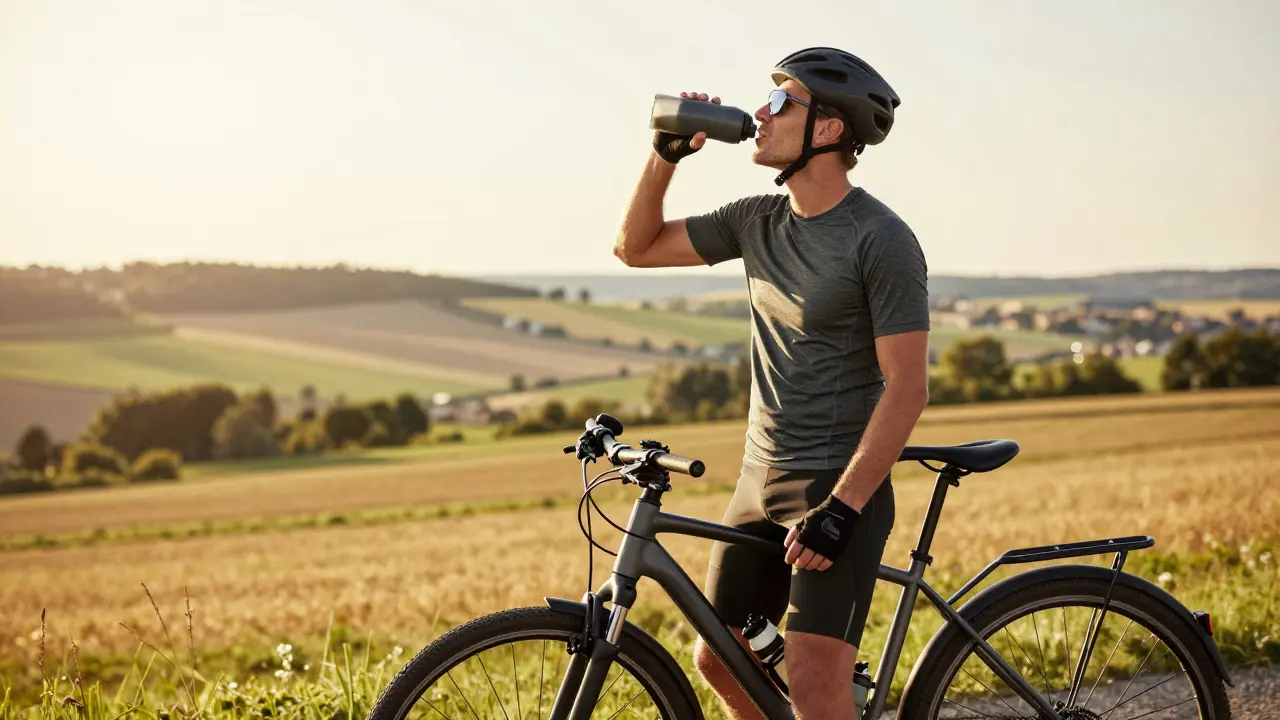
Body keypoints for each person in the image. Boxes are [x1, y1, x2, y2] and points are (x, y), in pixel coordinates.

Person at [613, 47, 930, 720]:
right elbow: (635, 249)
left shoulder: (881, 238)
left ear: (830, 129)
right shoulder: (757, 220)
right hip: (759, 477)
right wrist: (664, 156)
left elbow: (908, 388)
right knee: (720, 656)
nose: (761, 112)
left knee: (816, 688)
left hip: (833, 484)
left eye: (783, 101)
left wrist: (842, 509)